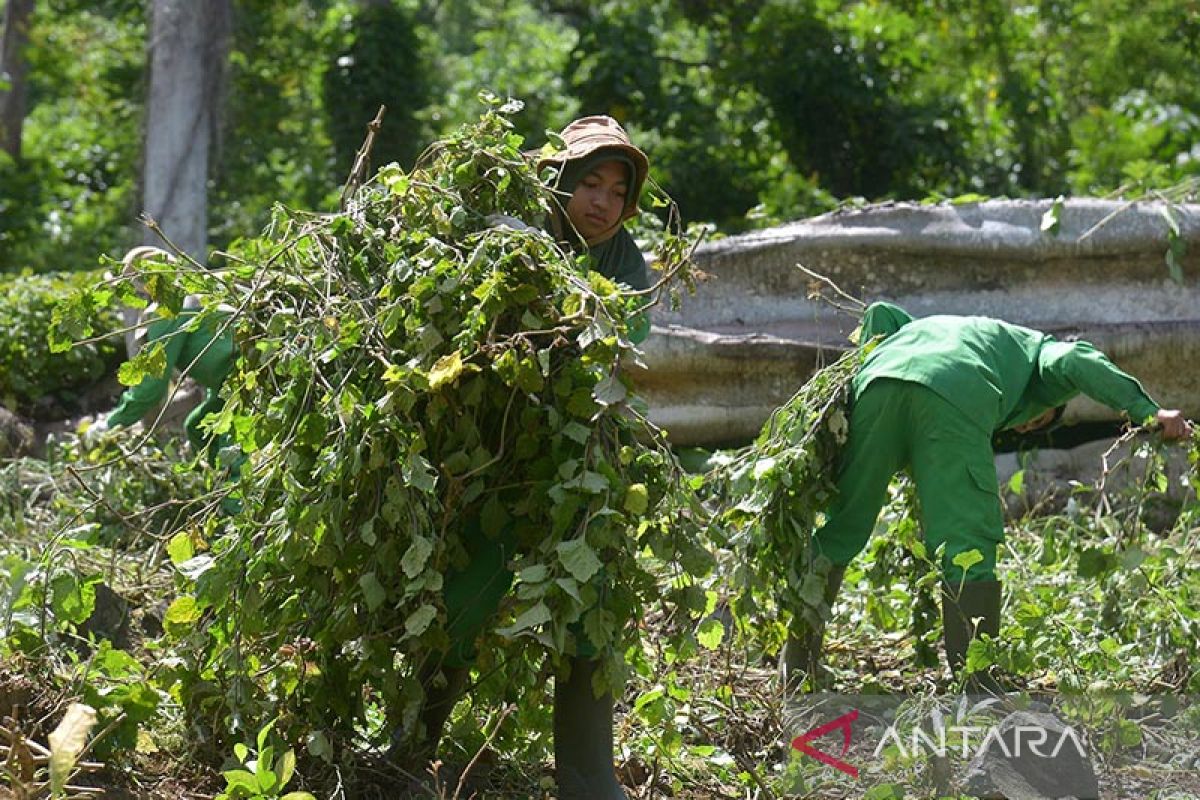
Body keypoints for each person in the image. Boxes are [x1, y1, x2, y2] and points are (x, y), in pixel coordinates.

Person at [400, 116, 651, 799]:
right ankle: (410, 749)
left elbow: (623, 348)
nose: (602, 202)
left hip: (584, 463)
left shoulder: (627, 263)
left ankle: (588, 781)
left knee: (589, 602)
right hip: (496, 457)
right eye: (589, 183)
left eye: (617, 191)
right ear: (557, 183)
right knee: (468, 598)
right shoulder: (510, 238)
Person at [781, 301, 1192, 692]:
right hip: (955, 388)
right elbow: (1076, 361)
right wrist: (1145, 410)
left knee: (842, 526)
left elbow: (879, 314)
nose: (1026, 427)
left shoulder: (933, 330)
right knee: (967, 539)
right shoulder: (1039, 353)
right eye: (1037, 421)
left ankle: (796, 666)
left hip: (876, 384)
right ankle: (976, 681)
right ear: (1045, 406)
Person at [87, 247, 237, 462]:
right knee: (198, 427)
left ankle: (231, 491)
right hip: (227, 385)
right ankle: (216, 487)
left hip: (245, 378)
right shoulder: (195, 293)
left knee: (234, 454)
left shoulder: (168, 309)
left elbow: (151, 387)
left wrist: (111, 423)